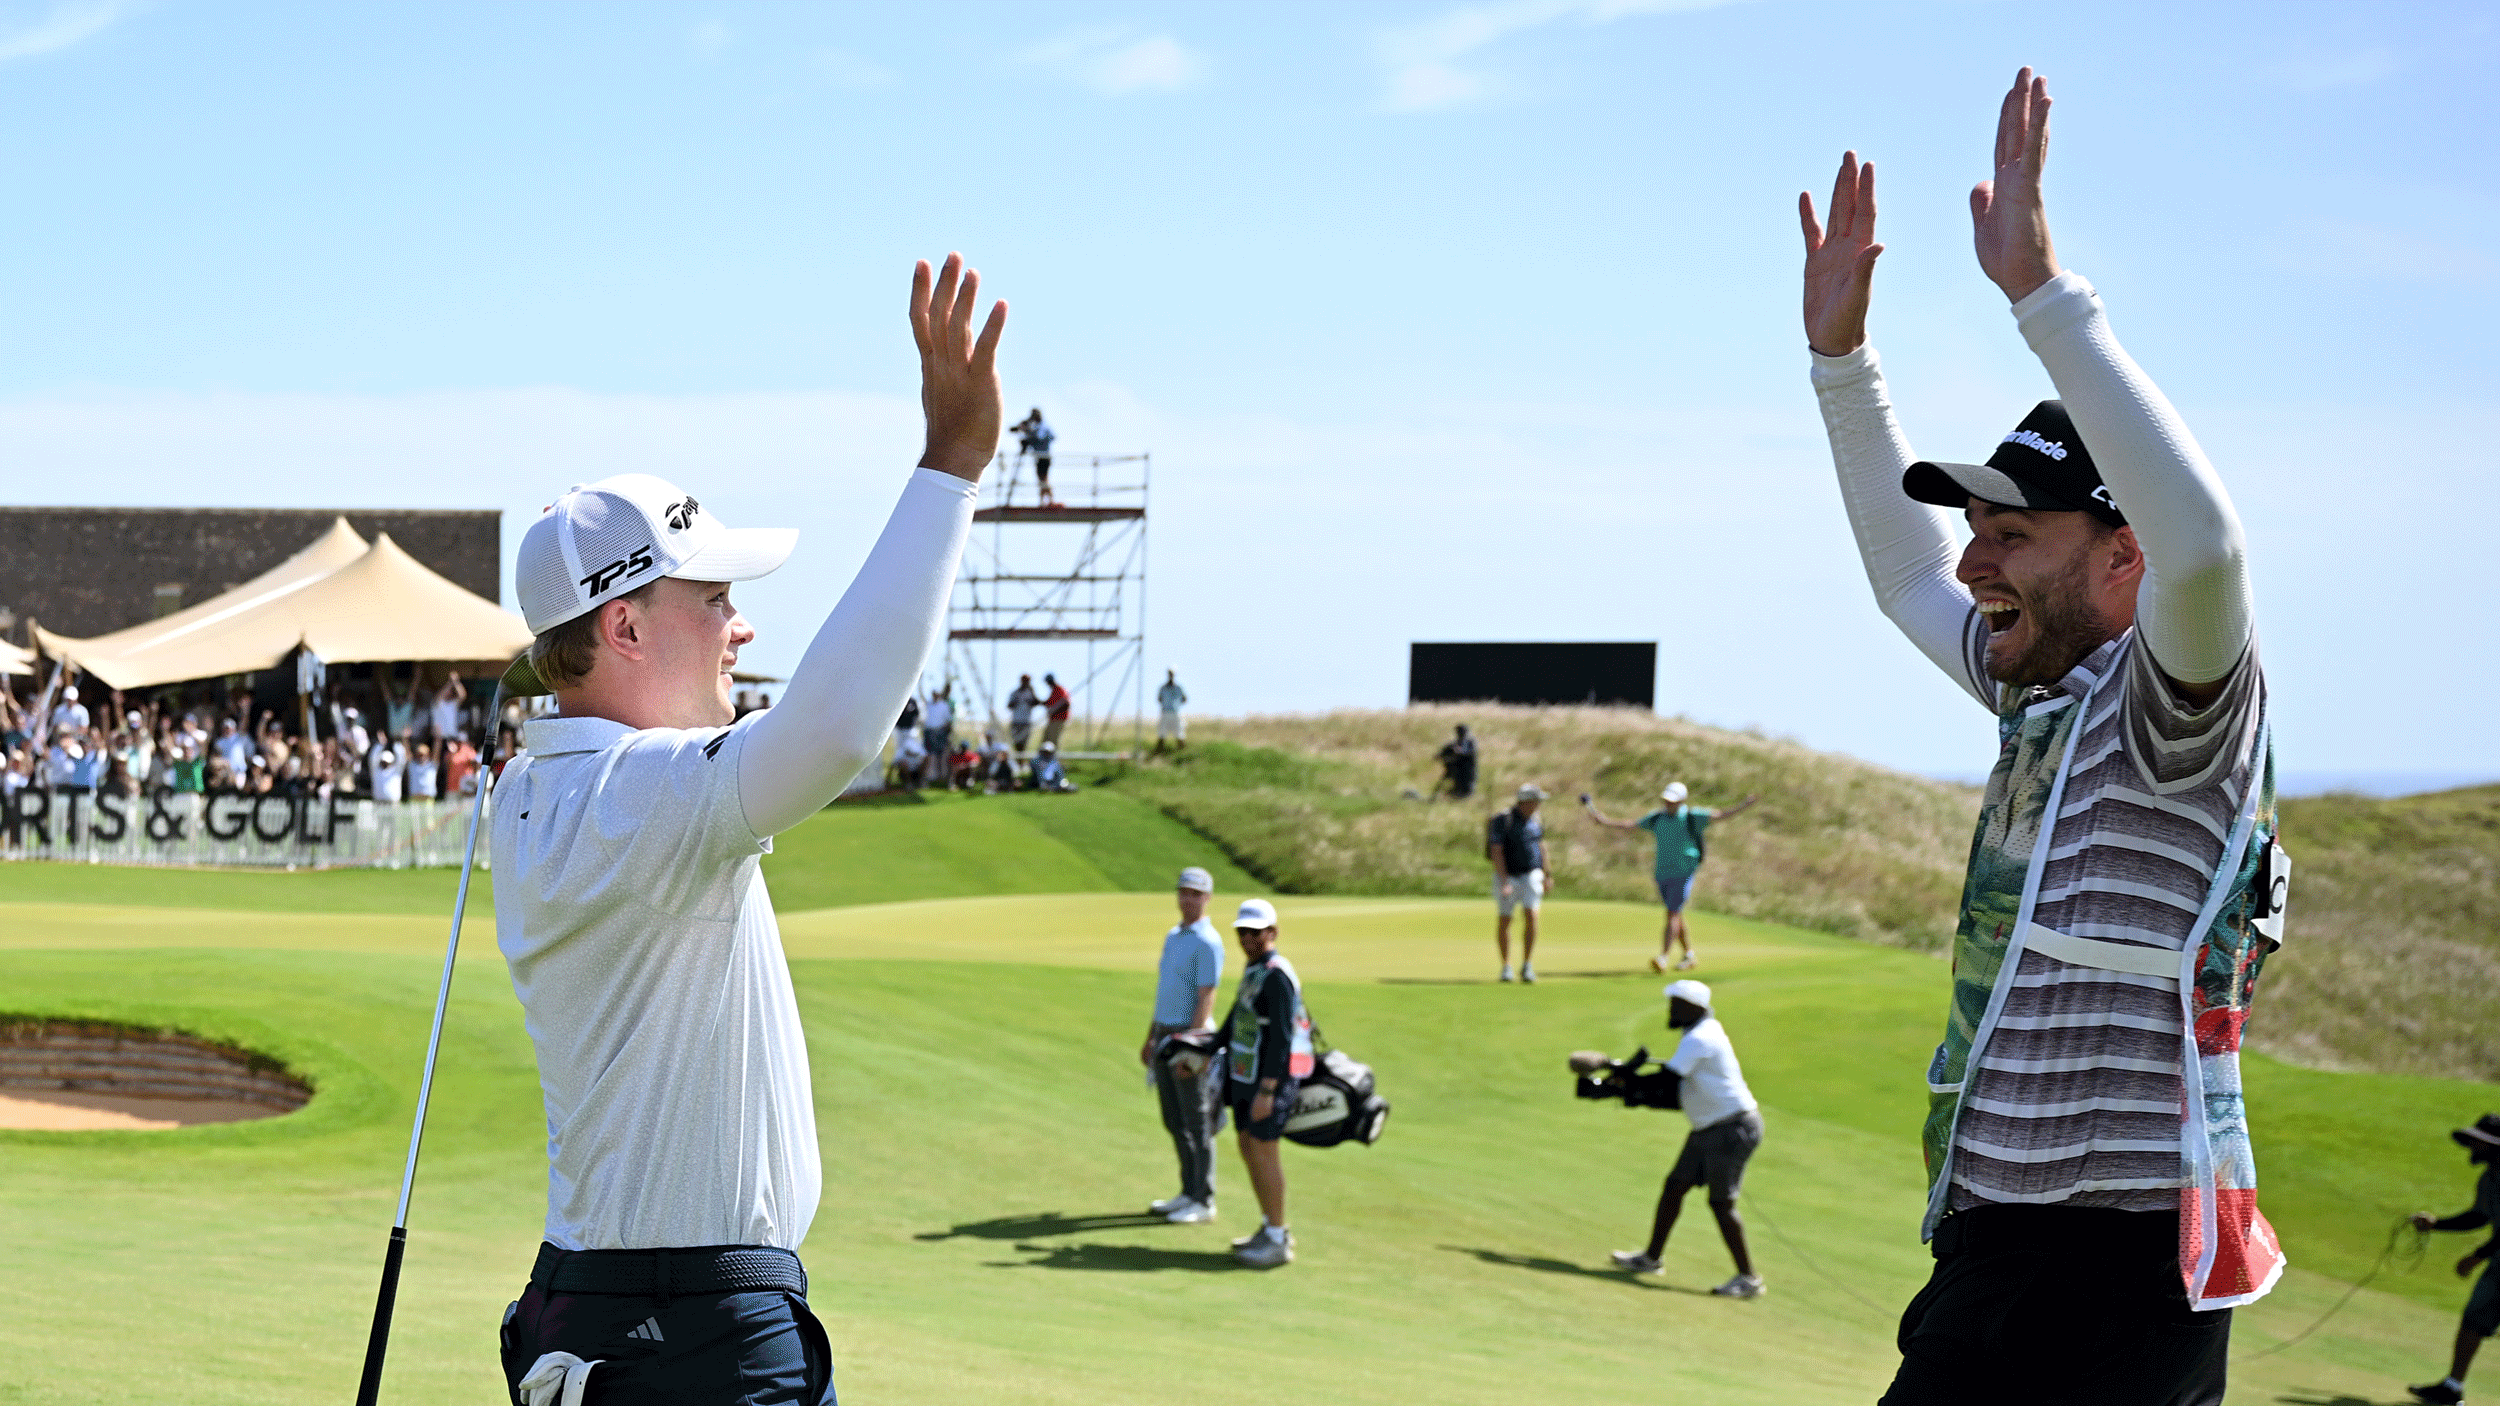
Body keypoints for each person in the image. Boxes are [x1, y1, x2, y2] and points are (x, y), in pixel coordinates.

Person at [1803, 71, 2285, 1403]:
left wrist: (2041, 296)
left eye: (2011, 532)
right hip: (1990, 1255)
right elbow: (1903, 580)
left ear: (2125, 558)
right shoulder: (2044, 696)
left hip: (2122, 1279)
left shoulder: (2180, 704)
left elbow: (2213, 545)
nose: (1970, 564)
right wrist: (1842, 366)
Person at [490, 251, 1005, 1405]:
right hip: (695, 1330)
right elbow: (829, 728)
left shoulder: (538, 791)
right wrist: (949, 469)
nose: (740, 624)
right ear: (623, 627)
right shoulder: (634, 800)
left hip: (594, 1306)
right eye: (712, 599)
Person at [1610, 979, 1765, 1297]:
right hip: (1711, 1128)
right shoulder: (1697, 1033)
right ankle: (1651, 1258)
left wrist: (1625, 1081)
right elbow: (1676, 1086)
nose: (1671, 1010)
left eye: (1676, 1005)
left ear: (1693, 1007)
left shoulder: (1701, 1037)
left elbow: (1668, 1082)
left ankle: (1749, 1279)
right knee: (1674, 1187)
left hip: (1731, 1129)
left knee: (1721, 1203)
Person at [1584, 782, 1760, 972]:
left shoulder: (1692, 817)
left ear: (1682, 801)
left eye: (1673, 801)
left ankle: (1663, 957)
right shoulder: (1657, 818)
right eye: (1666, 800)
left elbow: (1720, 815)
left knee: (1672, 913)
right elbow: (1631, 825)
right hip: (1662, 873)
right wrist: (1605, 821)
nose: (1669, 804)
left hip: (1684, 871)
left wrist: (1745, 805)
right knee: (1675, 914)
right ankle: (1689, 955)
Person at [1222, 897, 1311, 1268]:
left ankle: (1277, 1238)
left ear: (1272, 933)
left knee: (1263, 1148)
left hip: (1272, 1077)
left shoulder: (1276, 975)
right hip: (1248, 1071)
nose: (1248, 938)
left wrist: (1268, 1091)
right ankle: (1267, 1227)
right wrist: (1204, 1048)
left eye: (1256, 932)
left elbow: (1280, 1040)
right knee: (1247, 1143)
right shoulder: (1255, 968)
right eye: (1243, 932)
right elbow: (1237, 1016)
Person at [1141, 866, 1227, 1224]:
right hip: (1164, 1033)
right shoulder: (1174, 936)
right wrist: (1151, 1035)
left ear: (1206, 898)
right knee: (1173, 1118)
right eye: (1184, 892)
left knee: (1197, 1119)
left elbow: (1206, 996)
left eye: (1196, 894)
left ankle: (1203, 1199)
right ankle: (1187, 1191)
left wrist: (1191, 1047)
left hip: (1188, 1037)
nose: (1188, 899)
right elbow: (1165, 991)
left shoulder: (1209, 941)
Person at [2407, 1115, 2500, 1405]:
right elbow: (2479, 1216)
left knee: (2476, 1319)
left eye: (2478, 1142)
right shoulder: (2490, 1177)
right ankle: (2451, 1388)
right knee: (2474, 1321)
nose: (2471, 1147)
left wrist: (2476, 1256)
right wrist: (2437, 1224)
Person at [1487, 783, 1547, 983]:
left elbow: (1541, 847)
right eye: (1535, 801)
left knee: (1532, 916)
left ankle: (1527, 965)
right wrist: (1504, 880)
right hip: (1508, 876)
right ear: (1525, 802)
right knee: (1506, 919)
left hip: (1531, 874)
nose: (1538, 805)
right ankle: (1506, 967)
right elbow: (1496, 851)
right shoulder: (1503, 820)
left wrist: (1548, 873)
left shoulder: (1536, 820)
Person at [1014, 406, 1056, 506]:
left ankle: (1050, 500)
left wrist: (1027, 430)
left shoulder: (1042, 427)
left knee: (1044, 478)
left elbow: (1039, 437)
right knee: (1041, 479)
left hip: (1044, 457)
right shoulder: (1036, 427)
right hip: (1039, 457)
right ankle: (1043, 501)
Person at [1434, 723, 1477, 800]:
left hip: (1467, 774)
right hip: (1455, 772)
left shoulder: (1470, 743)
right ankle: (1439, 796)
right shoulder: (1454, 744)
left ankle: (1451, 795)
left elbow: (1468, 752)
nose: (1461, 734)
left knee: (1465, 793)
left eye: (1462, 732)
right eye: (1459, 732)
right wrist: (1441, 756)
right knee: (1446, 789)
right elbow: (1442, 753)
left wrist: (1459, 752)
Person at [921, 685, 954, 784]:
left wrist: (944, 732)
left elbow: (949, 721)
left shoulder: (944, 705)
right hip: (929, 732)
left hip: (940, 733)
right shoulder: (929, 704)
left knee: (941, 756)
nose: (935, 696)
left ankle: (941, 778)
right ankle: (925, 779)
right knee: (928, 755)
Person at [1154, 669, 1188, 754]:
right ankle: (1159, 753)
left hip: (1175, 712)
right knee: (1162, 734)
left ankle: (1182, 753)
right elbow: (1159, 699)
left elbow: (1184, 699)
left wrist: (1176, 703)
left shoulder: (1178, 688)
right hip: (1165, 712)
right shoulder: (1163, 688)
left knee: (1179, 734)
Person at [431, 671, 468, 744]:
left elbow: (462, 696)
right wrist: (450, 683)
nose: (448, 692)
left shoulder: (453, 704)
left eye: (450, 691)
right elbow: (439, 696)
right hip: (439, 738)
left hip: (452, 737)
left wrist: (456, 682)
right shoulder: (436, 703)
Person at [1005, 673, 1039, 753]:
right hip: (1016, 721)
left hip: (1026, 721)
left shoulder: (1031, 692)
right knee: (1016, 742)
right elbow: (1009, 705)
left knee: (1024, 743)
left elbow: (1037, 702)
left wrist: (1032, 692)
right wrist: (1016, 701)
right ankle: (1018, 760)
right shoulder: (1015, 693)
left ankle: (1021, 761)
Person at [1040, 673, 1071, 751]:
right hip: (1052, 720)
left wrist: (1055, 710)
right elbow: (1049, 703)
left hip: (1059, 719)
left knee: (1053, 741)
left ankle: (1054, 760)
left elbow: (1066, 703)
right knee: (1046, 739)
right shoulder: (1054, 691)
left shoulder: (1060, 689)